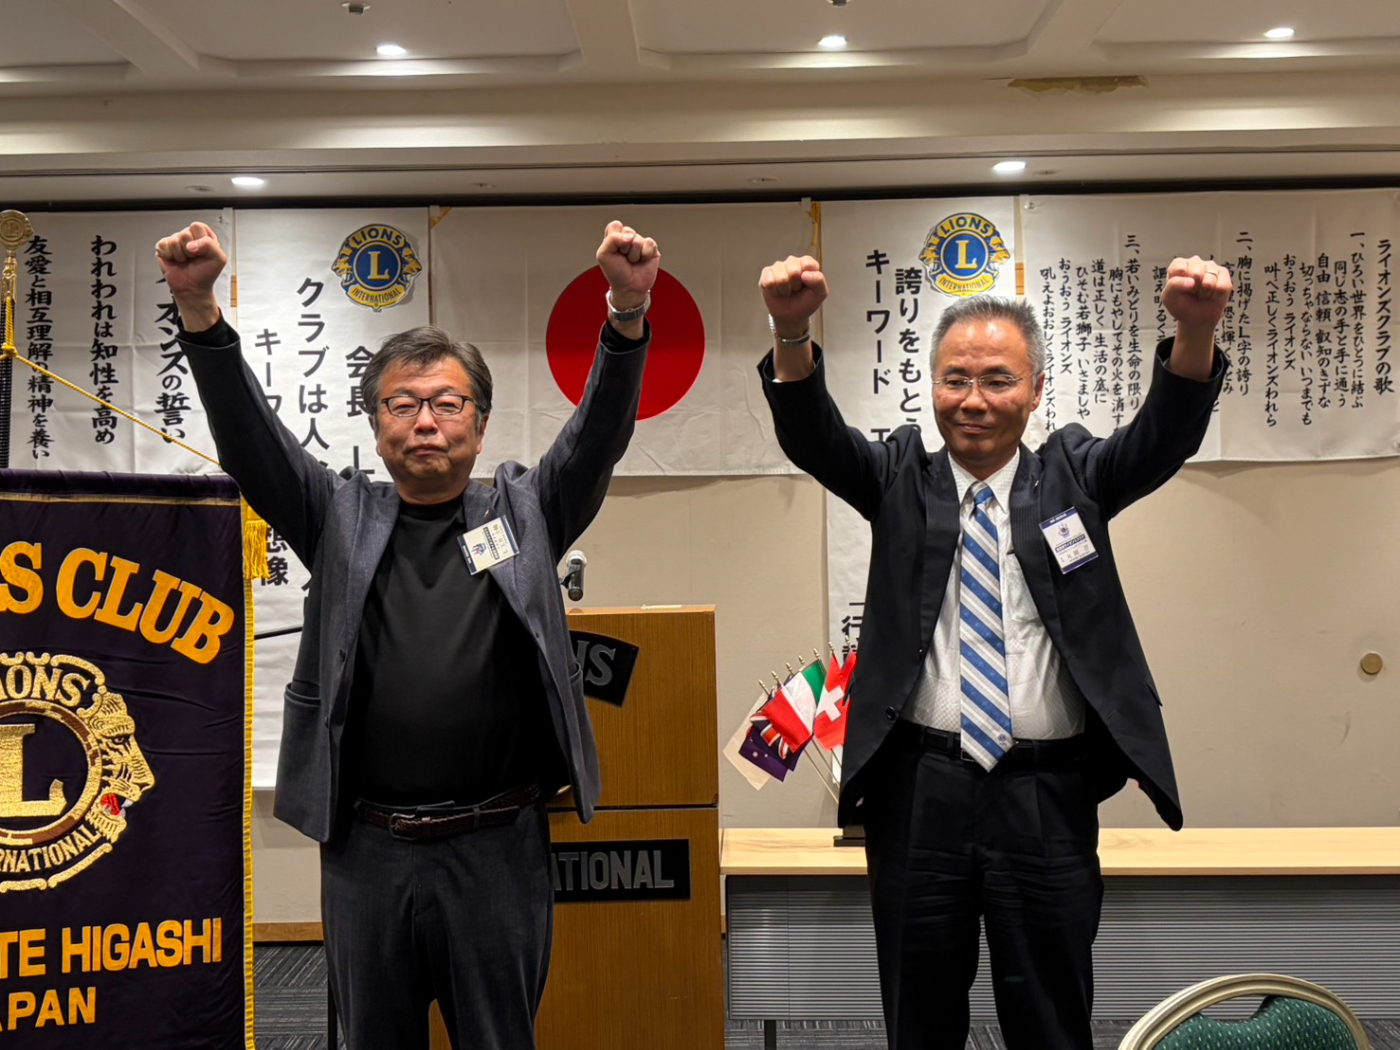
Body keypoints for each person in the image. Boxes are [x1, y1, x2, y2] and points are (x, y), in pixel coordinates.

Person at [157, 219, 660, 1050]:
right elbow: (252, 443)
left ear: (480, 424)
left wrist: (627, 312)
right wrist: (199, 310)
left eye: (447, 403)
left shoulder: (527, 513)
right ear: (376, 424)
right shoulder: (337, 515)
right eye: (403, 404)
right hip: (369, 852)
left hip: (498, 849)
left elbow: (598, 435)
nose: (426, 420)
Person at [758, 253, 1232, 1050]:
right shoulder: (897, 479)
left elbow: (1162, 438)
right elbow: (813, 437)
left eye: (997, 380)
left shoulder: (1076, 478)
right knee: (920, 1019)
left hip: (1045, 795)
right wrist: (791, 328)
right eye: (956, 380)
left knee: (1050, 1018)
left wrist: (1195, 330)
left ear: (1036, 389)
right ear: (932, 387)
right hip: (921, 793)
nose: (973, 400)